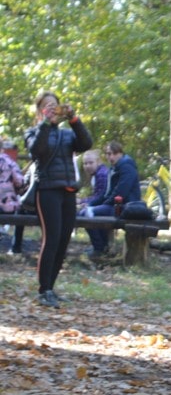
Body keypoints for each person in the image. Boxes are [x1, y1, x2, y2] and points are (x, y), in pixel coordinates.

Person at [25, 91, 93, 307]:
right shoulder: (33, 132)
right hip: (47, 191)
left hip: (68, 191)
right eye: (47, 106)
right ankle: (43, 290)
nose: (53, 108)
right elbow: (37, 150)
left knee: (63, 241)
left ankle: (51, 288)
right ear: (40, 111)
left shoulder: (67, 134)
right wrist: (46, 123)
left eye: (55, 105)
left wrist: (74, 119)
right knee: (51, 239)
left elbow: (85, 143)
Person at [80, 141, 141, 259]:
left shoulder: (126, 167)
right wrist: (91, 204)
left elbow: (121, 192)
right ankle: (102, 247)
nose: (111, 157)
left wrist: (99, 206)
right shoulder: (114, 168)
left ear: (121, 153)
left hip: (125, 208)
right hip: (115, 205)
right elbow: (105, 193)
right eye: (108, 154)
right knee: (86, 211)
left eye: (114, 153)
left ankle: (99, 249)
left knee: (86, 214)